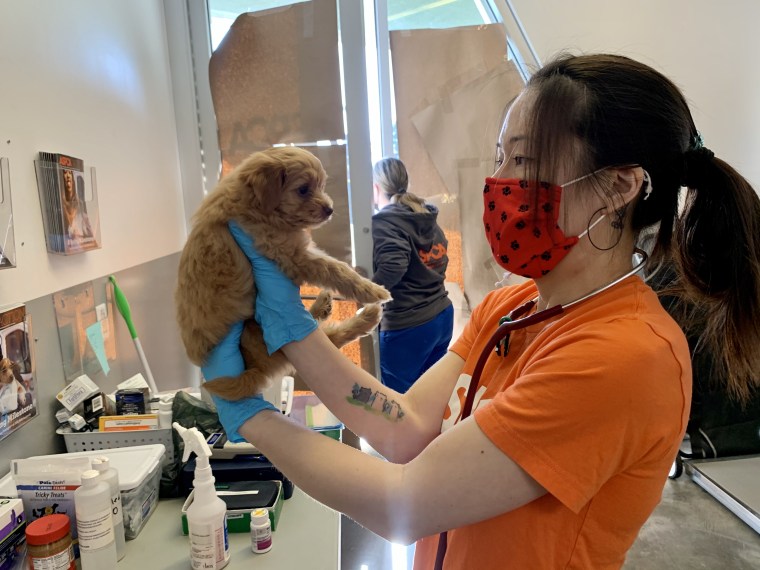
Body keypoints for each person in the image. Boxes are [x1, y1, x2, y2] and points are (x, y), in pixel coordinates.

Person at [201, 53, 760, 569]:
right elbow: (405, 427)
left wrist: (249, 415)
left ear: (618, 187)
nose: (501, 182)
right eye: (501, 156)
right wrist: (294, 330)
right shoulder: (512, 304)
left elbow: (404, 504)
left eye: (523, 159)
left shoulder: (624, 356)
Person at [370, 157, 453, 393]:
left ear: (376, 188)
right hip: (441, 317)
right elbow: (441, 254)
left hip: (408, 327)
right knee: (430, 396)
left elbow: (393, 267)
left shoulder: (386, 222)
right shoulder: (422, 215)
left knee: (399, 405)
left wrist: (365, 292)